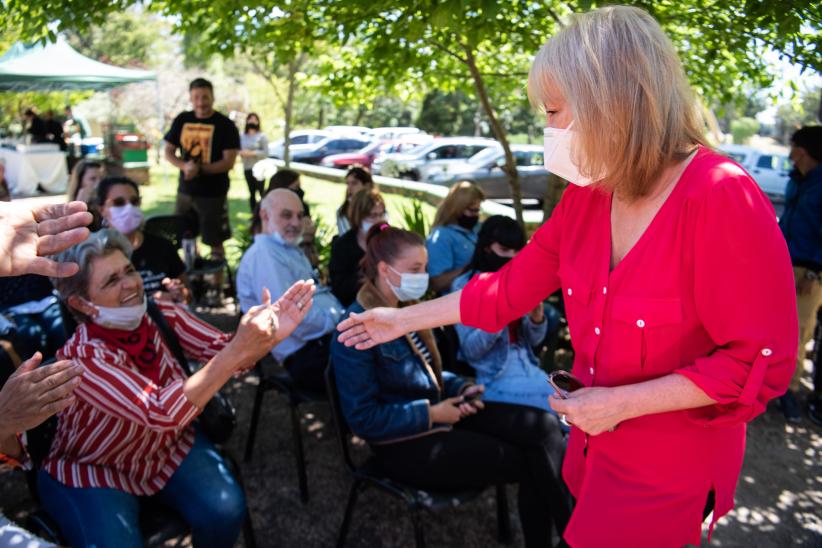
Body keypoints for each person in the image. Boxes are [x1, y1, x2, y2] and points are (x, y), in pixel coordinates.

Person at [337, 6, 797, 547]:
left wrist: (622, 404)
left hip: (668, 469)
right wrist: (401, 318)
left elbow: (757, 360)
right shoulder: (587, 198)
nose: (548, 129)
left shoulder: (719, 195)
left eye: (555, 111)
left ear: (612, 102)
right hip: (591, 451)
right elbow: (507, 290)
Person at [41, 229, 315, 547]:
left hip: (165, 449)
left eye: (128, 270)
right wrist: (237, 350)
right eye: (110, 281)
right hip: (95, 467)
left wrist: (268, 334)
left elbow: (224, 349)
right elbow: (160, 410)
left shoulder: (161, 314)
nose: (129, 283)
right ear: (82, 303)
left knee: (225, 509)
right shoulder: (82, 358)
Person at [331, 224, 570, 547]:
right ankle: (571, 537)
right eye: (415, 269)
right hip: (403, 442)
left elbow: (427, 374)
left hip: (443, 410)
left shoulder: (406, 313)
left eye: (425, 268)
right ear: (385, 270)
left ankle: (574, 534)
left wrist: (460, 387)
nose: (424, 276)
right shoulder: (356, 328)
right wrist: (431, 413)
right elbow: (363, 419)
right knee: (529, 459)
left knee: (543, 426)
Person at [237, 189, 343, 391]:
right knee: (375, 360)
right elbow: (295, 320)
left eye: (299, 216)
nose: (295, 223)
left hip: (319, 343)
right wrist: (339, 320)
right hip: (305, 354)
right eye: (286, 215)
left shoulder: (284, 248)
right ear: (265, 216)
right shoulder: (265, 255)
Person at [452, 216, 560, 414]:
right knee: (565, 416)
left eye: (517, 252)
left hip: (526, 366)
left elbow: (533, 342)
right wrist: (499, 313)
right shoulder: (463, 286)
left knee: (572, 408)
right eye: (503, 250)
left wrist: (537, 318)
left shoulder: (517, 279)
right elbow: (471, 350)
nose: (511, 258)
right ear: (486, 247)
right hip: (492, 376)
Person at [163, 78, 240, 262]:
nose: (201, 102)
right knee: (185, 237)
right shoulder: (182, 120)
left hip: (213, 194)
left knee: (215, 241)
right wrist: (185, 166)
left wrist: (200, 169)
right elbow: (168, 151)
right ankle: (193, 276)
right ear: (190, 98)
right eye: (196, 97)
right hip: (185, 191)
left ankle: (216, 284)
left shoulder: (225, 125)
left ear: (212, 97)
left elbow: (228, 161)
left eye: (205, 97)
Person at [778, 126, 822, 423]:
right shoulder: (796, 180)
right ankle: (771, 385)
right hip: (782, 263)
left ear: (802, 150)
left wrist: (814, 272)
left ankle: (789, 391)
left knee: (799, 330)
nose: (789, 152)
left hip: (808, 270)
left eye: (792, 146)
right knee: (773, 327)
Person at [97, 176, 189, 303]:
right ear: (102, 210)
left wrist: (178, 293)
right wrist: (151, 302)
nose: (128, 208)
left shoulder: (162, 247)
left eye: (134, 201)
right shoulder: (95, 254)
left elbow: (187, 294)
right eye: (119, 203)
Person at [329, 188, 387, 307]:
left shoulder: (387, 241)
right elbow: (339, 287)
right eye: (373, 215)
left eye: (381, 215)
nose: (378, 221)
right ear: (358, 217)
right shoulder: (343, 246)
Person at [426, 181, 484, 294]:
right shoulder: (442, 237)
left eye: (477, 210)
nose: (475, 215)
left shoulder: (475, 228)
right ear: (457, 209)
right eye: (472, 211)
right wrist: (470, 267)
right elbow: (437, 283)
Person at [240, 112, 269, 212]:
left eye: (254, 119)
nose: (252, 121)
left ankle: (263, 212)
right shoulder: (242, 136)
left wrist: (252, 153)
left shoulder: (262, 136)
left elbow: (266, 153)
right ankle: (254, 215)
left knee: (261, 192)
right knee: (251, 192)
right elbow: (238, 150)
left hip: (260, 169)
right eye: (250, 119)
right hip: (247, 167)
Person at [336, 166, 375, 235]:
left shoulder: (378, 209)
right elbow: (346, 237)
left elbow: (383, 229)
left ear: (367, 186)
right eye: (347, 184)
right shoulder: (342, 212)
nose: (349, 188)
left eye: (354, 183)